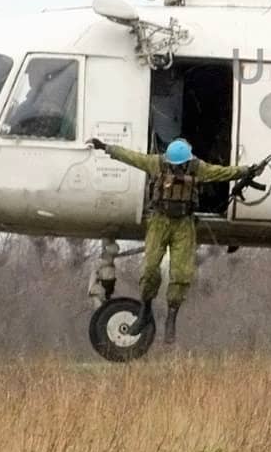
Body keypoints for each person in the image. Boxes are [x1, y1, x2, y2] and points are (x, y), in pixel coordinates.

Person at [85, 136, 258, 346]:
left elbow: (221, 172)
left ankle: (171, 317)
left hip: (184, 224)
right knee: (149, 270)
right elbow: (131, 157)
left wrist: (246, 171)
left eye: (179, 166)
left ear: (186, 161)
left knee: (182, 274)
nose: (176, 169)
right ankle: (145, 310)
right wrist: (105, 147)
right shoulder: (156, 163)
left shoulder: (197, 168)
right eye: (174, 166)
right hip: (159, 221)